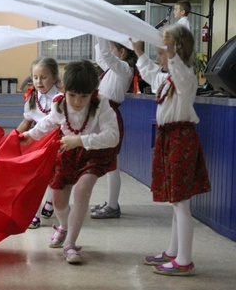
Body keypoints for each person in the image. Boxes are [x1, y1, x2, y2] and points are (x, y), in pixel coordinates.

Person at [130, 24, 210, 276]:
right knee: (177, 201)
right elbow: (150, 72)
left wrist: (171, 52)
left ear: (177, 51)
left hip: (181, 139)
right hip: (170, 139)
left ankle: (184, 260)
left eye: (162, 52)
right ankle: (174, 251)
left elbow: (178, 71)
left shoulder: (185, 76)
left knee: (180, 202)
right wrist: (138, 51)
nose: (159, 57)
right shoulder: (166, 78)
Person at [21, 60, 119, 264]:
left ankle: (71, 244)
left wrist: (81, 140)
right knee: (58, 200)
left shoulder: (102, 104)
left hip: (92, 154)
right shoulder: (59, 103)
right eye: (72, 95)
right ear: (64, 89)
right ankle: (64, 227)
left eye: (84, 96)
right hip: (67, 154)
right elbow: (48, 123)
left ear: (93, 91)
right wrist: (30, 135)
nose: (77, 101)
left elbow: (113, 136)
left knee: (82, 189)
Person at [90, 38, 136, 219]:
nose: (109, 51)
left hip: (110, 115)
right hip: (104, 113)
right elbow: (102, 58)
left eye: (112, 48)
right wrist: (97, 36)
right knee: (108, 161)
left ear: (122, 53)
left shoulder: (123, 68)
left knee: (111, 162)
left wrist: (101, 34)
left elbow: (107, 57)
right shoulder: (114, 69)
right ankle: (110, 201)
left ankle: (113, 205)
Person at [16, 58, 60, 229]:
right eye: (35, 77)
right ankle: (32, 211)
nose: (38, 82)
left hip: (56, 142)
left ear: (55, 78)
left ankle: (49, 201)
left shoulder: (61, 98)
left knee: (53, 178)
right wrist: (14, 137)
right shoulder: (32, 97)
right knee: (32, 179)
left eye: (44, 77)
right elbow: (26, 122)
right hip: (36, 142)